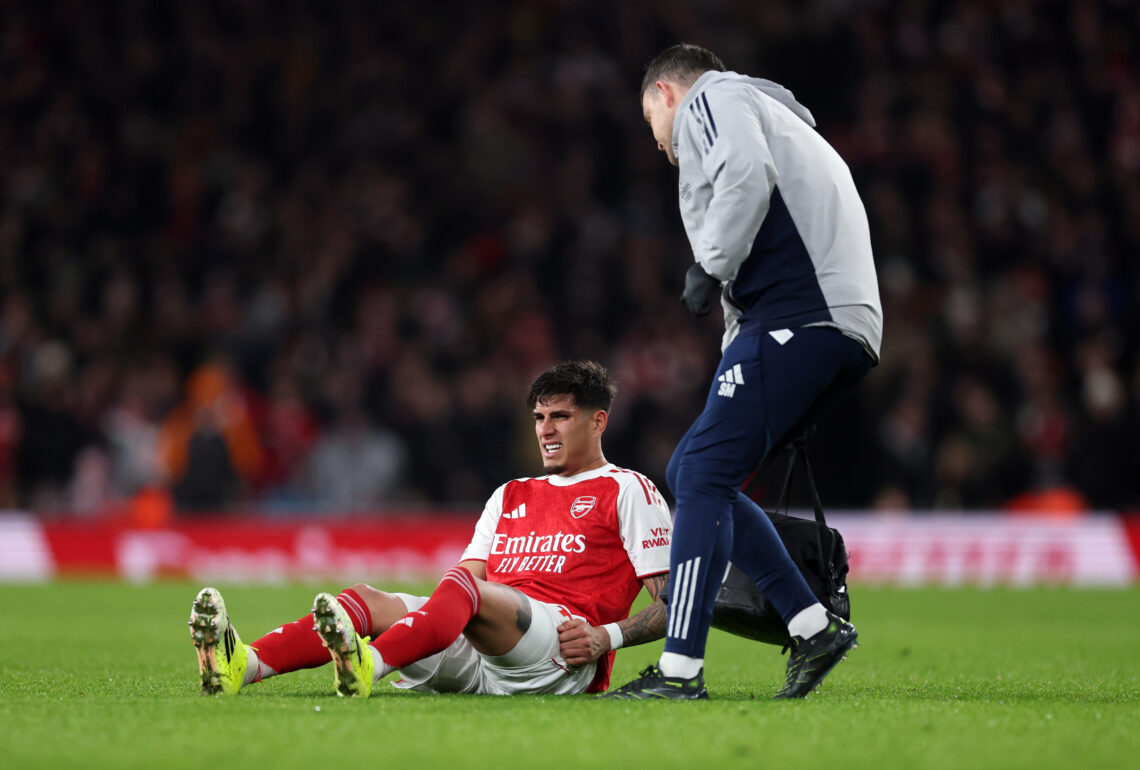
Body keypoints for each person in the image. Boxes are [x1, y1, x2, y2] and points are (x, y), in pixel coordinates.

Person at [607, 44, 883, 700]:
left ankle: (680, 670)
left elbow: (746, 174)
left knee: (700, 471)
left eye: (652, 123)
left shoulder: (712, 98)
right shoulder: (771, 110)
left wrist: (710, 263)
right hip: (829, 321)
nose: (659, 144)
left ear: (668, 96)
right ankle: (813, 627)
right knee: (698, 472)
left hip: (802, 312)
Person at [189, 360, 672, 697]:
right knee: (366, 599)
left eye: (561, 417)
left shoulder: (628, 490)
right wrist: (421, 618)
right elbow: (464, 585)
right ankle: (243, 665)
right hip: (487, 649)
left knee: (466, 588)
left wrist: (605, 638)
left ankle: (370, 665)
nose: (545, 430)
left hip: (558, 655)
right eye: (540, 417)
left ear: (599, 421)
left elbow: (676, 607)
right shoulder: (511, 494)